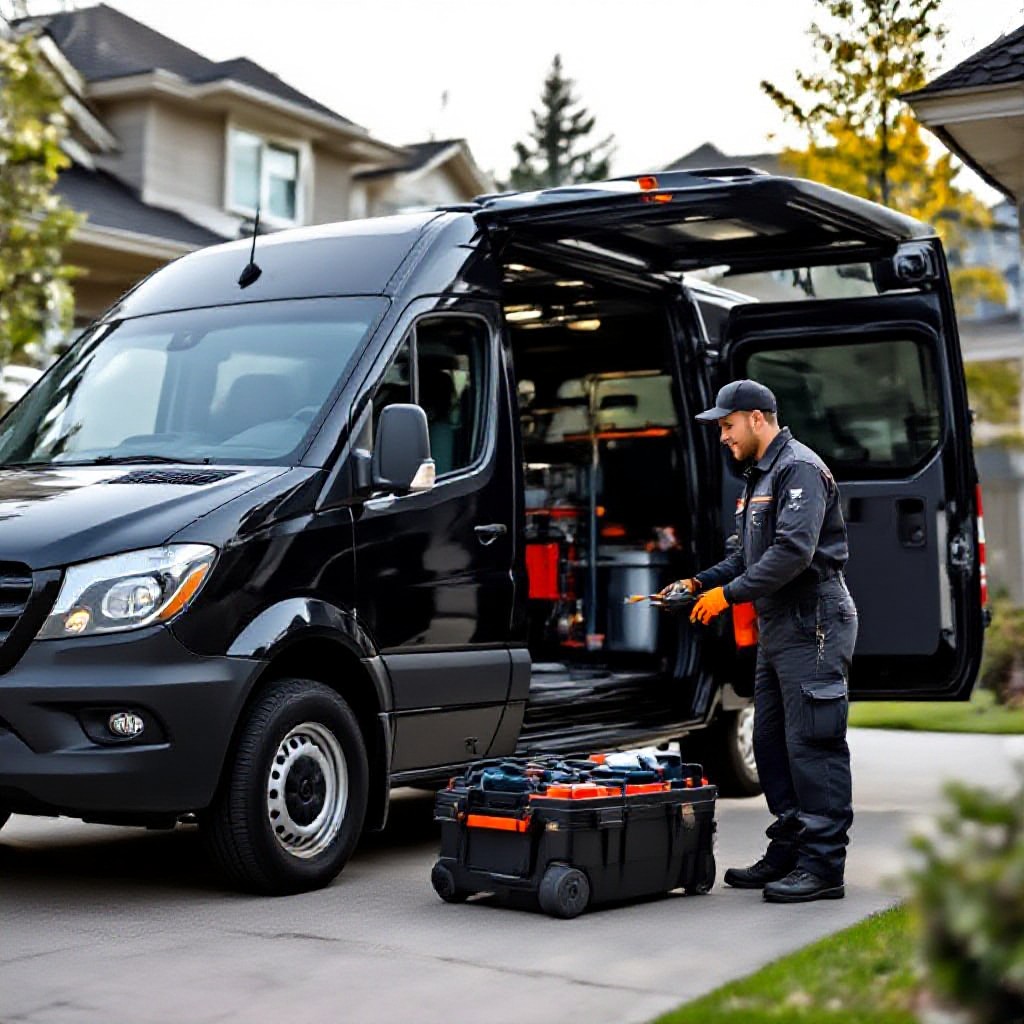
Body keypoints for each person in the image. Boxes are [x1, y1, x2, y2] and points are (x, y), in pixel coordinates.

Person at [662, 379, 858, 903]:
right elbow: (745, 556)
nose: (723, 436)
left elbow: (794, 551)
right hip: (780, 627)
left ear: (756, 418)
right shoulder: (760, 476)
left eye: (727, 426)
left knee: (813, 743)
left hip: (814, 622)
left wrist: (726, 597)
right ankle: (790, 848)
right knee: (771, 743)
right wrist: (698, 584)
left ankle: (823, 866)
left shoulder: (798, 469)